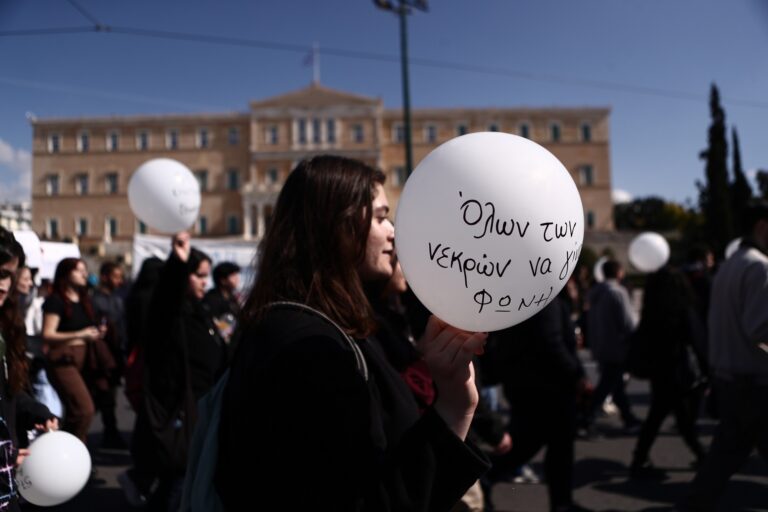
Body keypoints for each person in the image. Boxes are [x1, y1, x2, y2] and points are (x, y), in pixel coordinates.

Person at [214, 155, 490, 510]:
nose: (393, 230)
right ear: (335, 227)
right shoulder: (312, 349)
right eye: (380, 217)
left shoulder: (315, 325)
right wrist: (453, 407)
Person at [680, 201, 768, 511]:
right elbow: (761, 330)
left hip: (730, 381)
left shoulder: (729, 266)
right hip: (756, 385)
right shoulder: (760, 267)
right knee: (722, 460)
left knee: (720, 462)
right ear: (761, 227)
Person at [141, 233, 228, 511]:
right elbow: (166, 300)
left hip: (204, 405)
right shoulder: (172, 313)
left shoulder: (200, 310)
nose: (206, 282)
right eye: (199, 276)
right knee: (178, 481)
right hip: (181, 411)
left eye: (207, 276)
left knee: (181, 483)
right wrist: (177, 264)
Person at [488, 289, 590, 512]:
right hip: (547, 390)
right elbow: (551, 342)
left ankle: (562, 502)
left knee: (550, 447)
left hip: (530, 386)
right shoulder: (543, 298)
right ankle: (481, 479)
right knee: (529, 446)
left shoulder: (525, 295)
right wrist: (576, 374)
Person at [629, 266, 706, 479]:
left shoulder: (651, 311)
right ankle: (703, 457)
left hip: (660, 371)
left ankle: (639, 458)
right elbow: (696, 341)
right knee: (679, 419)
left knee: (658, 416)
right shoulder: (683, 309)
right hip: (679, 371)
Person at [0, 246, 58, 511]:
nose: (4, 285)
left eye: (9, 275)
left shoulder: (7, 326)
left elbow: (7, 392)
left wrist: (36, 411)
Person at [42, 258, 107, 443]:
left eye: (84, 270)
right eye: (79, 270)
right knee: (84, 410)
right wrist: (80, 334)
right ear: (66, 274)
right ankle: (70, 450)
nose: (84, 274)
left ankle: (74, 453)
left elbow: (87, 329)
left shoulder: (85, 300)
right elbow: (47, 334)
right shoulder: (56, 301)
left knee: (75, 411)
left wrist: (97, 332)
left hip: (85, 360)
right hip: (63, 361)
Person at [118, 256, 164, 507]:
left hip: (137, 360)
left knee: (144, 417)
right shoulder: (152, 299)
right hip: (149, 363)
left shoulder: (135, 296)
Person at [585, 259, 641, 432]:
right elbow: (628, 322)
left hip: (600, 345)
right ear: (618, 273)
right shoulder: (618, 292)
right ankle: (586, 417)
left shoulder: (595, 293)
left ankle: (628, 416)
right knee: (607, 384)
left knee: (613, 383)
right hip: (617, 346)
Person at [90, 261, 127, 449]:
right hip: (102, 356)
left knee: (108, 396)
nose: (119, 281)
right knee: (100, 396)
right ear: (105, 277)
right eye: (115, 276)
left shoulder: (118, 298)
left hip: (115, 353)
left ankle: (110, 433)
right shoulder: (96, 300)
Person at [203, 262, 241, 343]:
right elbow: (214, 323)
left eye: (237, 275)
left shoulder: (233, 298)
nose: (237, 279)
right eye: (233, 276)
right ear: (223, 280)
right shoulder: (212, 299)